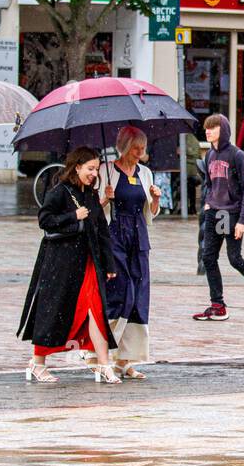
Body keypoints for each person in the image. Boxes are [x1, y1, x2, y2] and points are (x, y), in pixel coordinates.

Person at [19, 147, 120, 384]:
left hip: (88, 262)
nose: (94, 173)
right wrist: (73, 216)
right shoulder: (60, 191)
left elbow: (102, 231)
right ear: (77, 167)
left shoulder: (92, 195)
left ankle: (104, 364)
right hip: (60, 262)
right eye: (90, 169)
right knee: (52, 309)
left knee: (96, 310)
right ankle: (37, 362)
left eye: (96, 169)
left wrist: (109, 263)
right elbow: (45, 220)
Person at [192, 114, 244, 321]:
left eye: (213, 128)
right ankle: (217, 305)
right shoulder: (209, 155)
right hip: (215, 212)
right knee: (209, 257)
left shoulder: (237, 155)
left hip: (232, 213)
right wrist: (209, 201)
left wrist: (243, 220)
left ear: (223, 130)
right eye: (206, 128)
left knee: (234, 259)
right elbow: (209, 182)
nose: (208, 131)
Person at [99, 127, 162, 379]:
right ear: (124, 146)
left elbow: (150, 213)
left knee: (139, 292)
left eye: (142, 148)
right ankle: (104, 351)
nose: (140, 153)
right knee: (120, 290)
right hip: (115, 234)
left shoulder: (145, 173)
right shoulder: (106, 170)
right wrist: (105, 198)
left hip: (138, 236)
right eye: (136, 147)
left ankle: (125, 359)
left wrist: (156, 200)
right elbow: (96, 207)